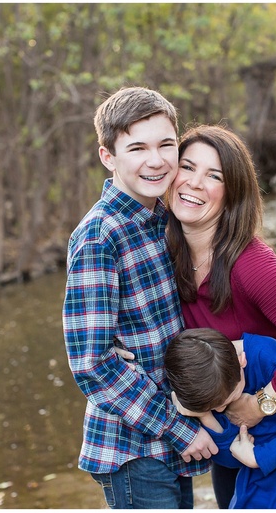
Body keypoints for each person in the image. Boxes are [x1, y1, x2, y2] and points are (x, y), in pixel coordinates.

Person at [166, 124, 276, 508]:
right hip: (229, 416)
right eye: (188, 166)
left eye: (213, 176)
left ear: (231, 194)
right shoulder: (165, 257)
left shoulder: (250, 264)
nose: (195, 183)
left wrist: (263, 403)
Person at [62, 87, 216, 509]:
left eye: (167, 144)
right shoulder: (100, 235)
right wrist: (180, 429)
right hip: (132, 447)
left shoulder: (162, 217)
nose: (156, 159)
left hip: (164, 438)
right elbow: (92, 364)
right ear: (108, 157)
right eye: (137, 148)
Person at [165, 327, 276, 509]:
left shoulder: (267, 357)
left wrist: (259, 456)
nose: (221, 408)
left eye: (228, 401)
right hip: (253, 493)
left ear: (241, 361)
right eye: (213, 408)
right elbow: (232, 458)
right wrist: (205, 415)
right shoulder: (207, 387)